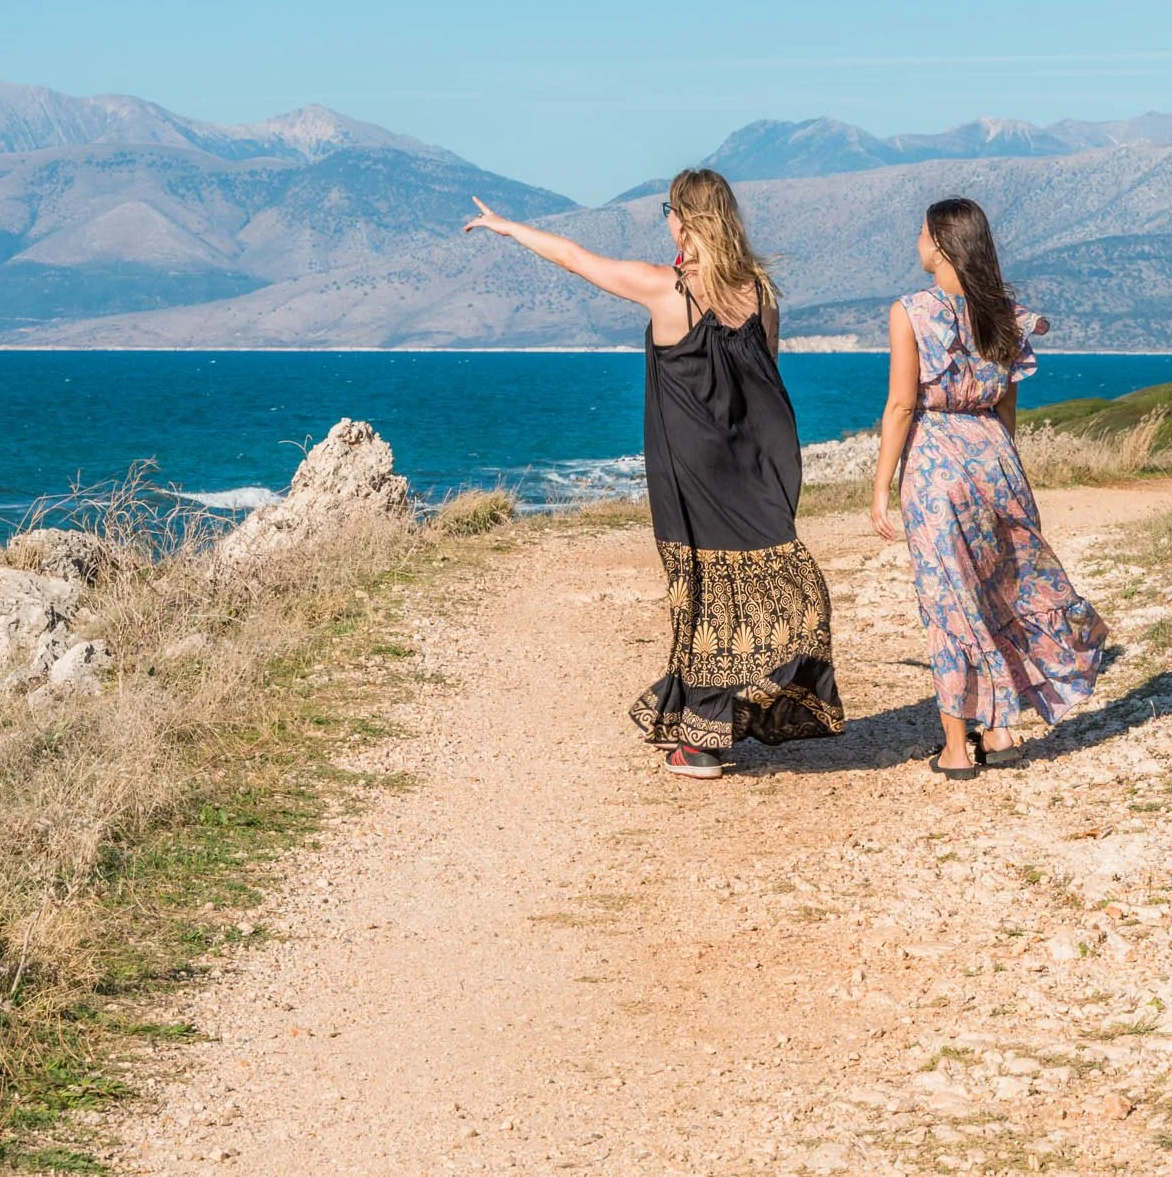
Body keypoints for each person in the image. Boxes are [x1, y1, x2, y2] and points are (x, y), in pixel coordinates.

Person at [464, 169, 843, 777]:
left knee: (699, 589)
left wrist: (506, 226)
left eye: (670, 208)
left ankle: (701, 739)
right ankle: (724, 714)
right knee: (764, 580)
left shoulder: (667, 289)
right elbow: (763, 385)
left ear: (685, 220)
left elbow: (575, 259)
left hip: (691, 469)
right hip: (747, 462)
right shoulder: (762, 294)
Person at [869, 197, 1108, 778]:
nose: (917, 240)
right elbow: (1007, 403)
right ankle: (1000, 730)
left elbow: (903, 404)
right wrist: (1000, 466)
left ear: (943, 246)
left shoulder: (912, 311)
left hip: (937, 462)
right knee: (1000, 584)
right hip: (996, 458)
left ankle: (956, 748)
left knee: (949, 601)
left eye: (923, 232)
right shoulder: (1005, 312)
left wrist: (881, 487)